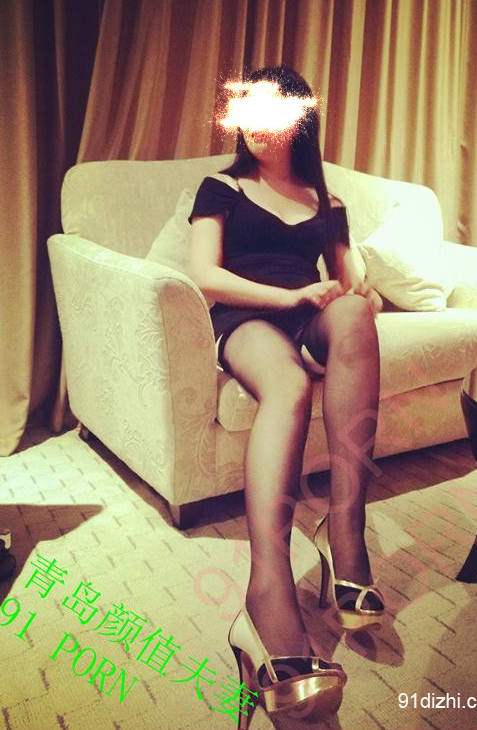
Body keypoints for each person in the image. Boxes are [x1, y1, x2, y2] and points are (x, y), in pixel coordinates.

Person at [188, 65, 385, 726]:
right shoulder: (222, 188)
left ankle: (346, 534)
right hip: (246, 318)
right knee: (290, 384)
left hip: (308, 316)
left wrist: (358, 289)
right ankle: (267, 591)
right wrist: (290, 295)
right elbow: (205, 276)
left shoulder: (326, 201)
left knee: (353, 315)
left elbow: (350, 283)